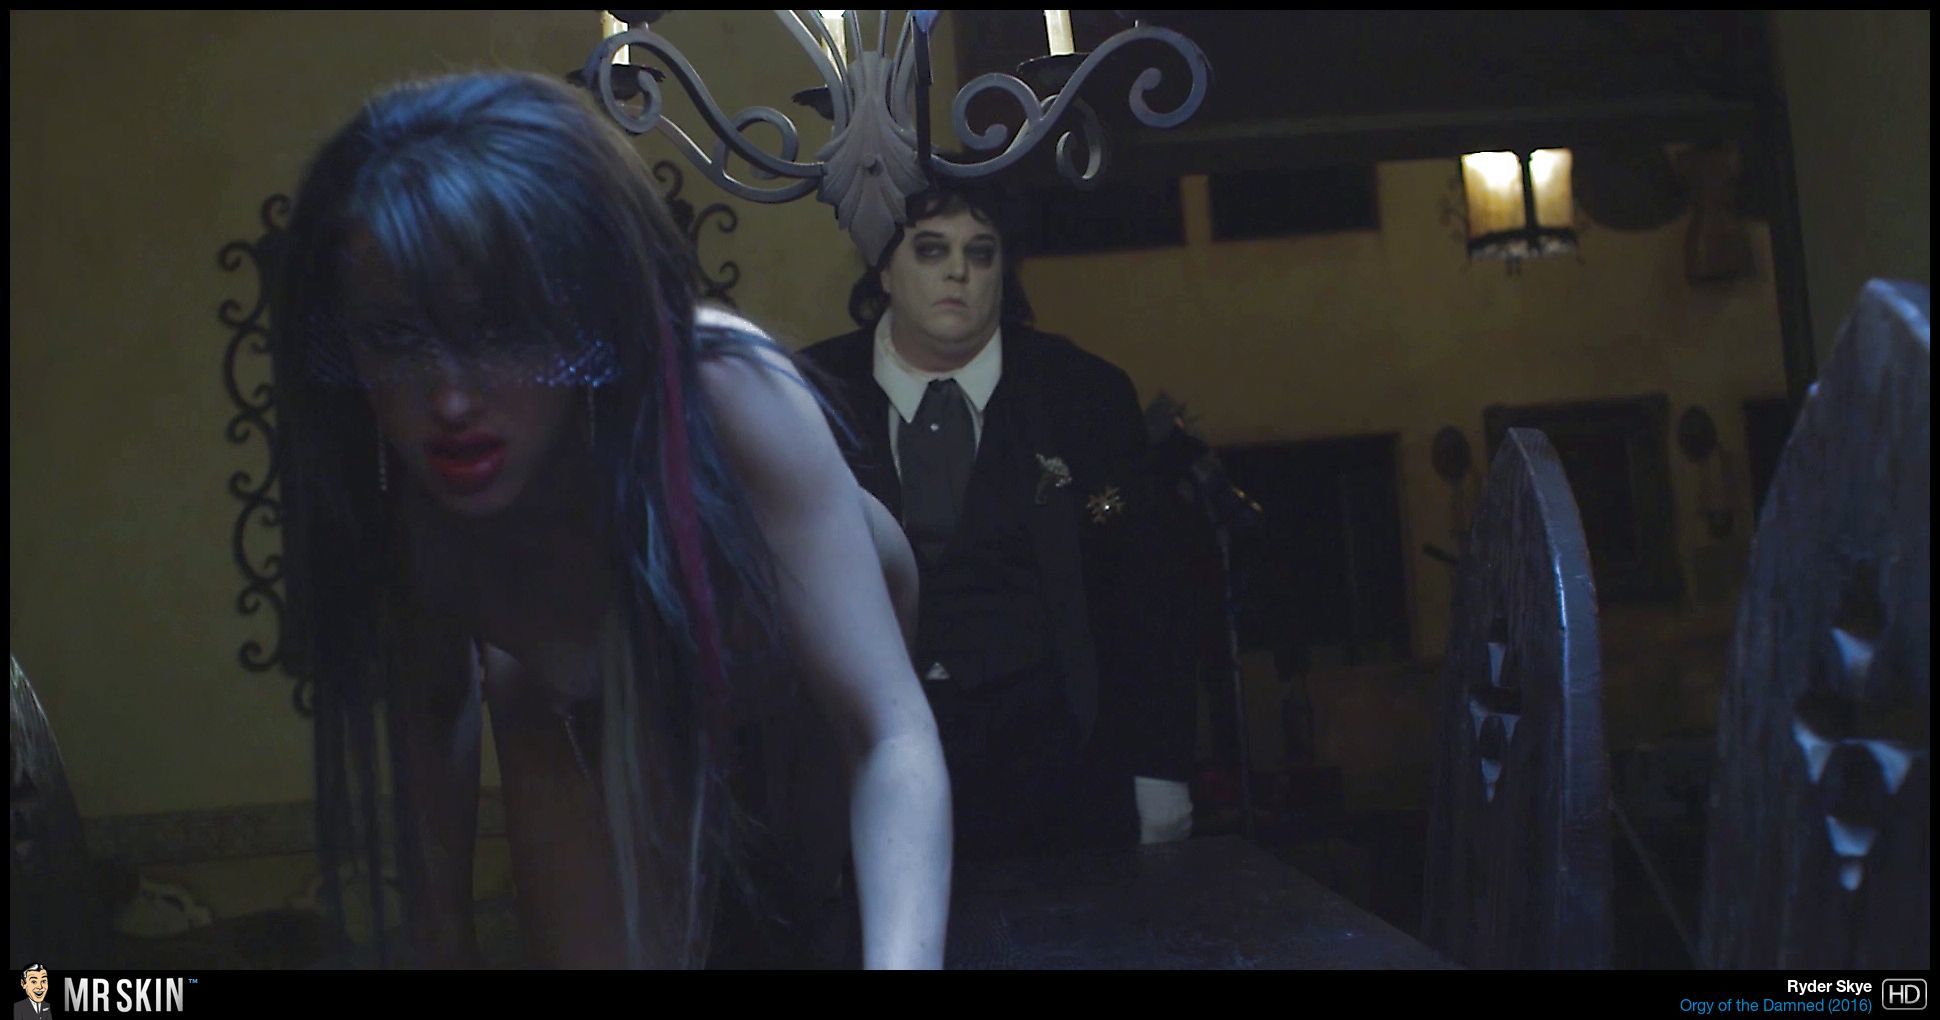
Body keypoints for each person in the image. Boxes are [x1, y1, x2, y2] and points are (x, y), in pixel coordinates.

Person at [269, 70, 949, 969]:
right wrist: (442, 944)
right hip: (571, 710)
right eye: (397, 337)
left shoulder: (725, 391)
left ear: (585, 312)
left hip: (800, 707)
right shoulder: (404, 515)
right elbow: (431, 722)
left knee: (823, 924)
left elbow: (886, 730)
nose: (451, 400)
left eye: (500, 328)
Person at [801, 183, 1195, 862]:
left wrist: (1160, 768)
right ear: (884, 270)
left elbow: (1145, 593)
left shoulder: (1082, 393)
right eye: (932, 251)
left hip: (1056, 763)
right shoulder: (813, 390)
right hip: (863, 765)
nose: (958, 271)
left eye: (980, 253)